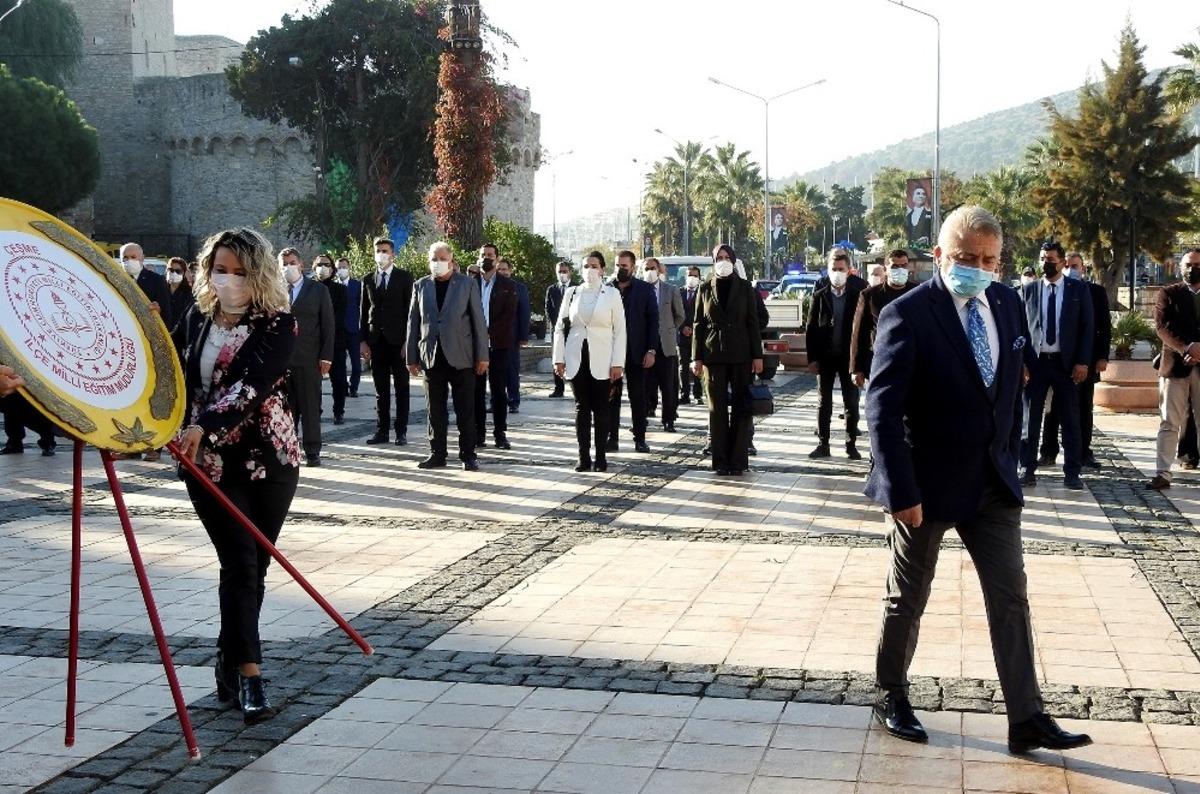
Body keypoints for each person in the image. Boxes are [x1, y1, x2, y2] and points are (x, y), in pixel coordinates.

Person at [866, 204, 1091, 754]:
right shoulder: (908, 313)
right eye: (967, 258)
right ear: (940, 256)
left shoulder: (1009, 303)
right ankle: (890, 693)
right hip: (928, 486)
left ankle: (1026, 717)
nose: (978, 267)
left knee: (1011, 597)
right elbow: (882, 408)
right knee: (908, 598)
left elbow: (1011, 386)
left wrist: (1012, 458)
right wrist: (900, 489)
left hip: (992, 484)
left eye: (989, 259)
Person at [175, 227, 301, 724]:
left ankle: (229, 661)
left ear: (258, 274)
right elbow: (176, 379)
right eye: (219, 270)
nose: (227, 280)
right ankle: (251, 675)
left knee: (255, 568)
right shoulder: (196, 319)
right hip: (208, 462)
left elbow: (251, 384)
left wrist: (204, 424)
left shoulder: (278, 325)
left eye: (239, 271)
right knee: (241, 563)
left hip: (270, 459)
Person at [407, 242, 489, 471]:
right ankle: (437, 453)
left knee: (465, 408)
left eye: (442, 258)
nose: (437, 263)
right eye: (434, 259)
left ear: (451, 261)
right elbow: (414, 322)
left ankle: (468, 454)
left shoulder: (467, 284)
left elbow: (478, 322)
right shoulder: (420, 285)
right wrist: (411, 357)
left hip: (462, 356)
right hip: (432, 356)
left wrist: (482, 355)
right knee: (435, 409)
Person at [1019, 241, 1093, 490]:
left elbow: (1087, 328)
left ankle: (1072, 473)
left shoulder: (1077, 289)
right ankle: (1027, 468)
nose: (1045, 263)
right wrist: (1022, 363)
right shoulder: (1028, 290)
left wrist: (1083, 361)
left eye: (1051, 258)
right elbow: (1019, 330)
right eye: (1042, 258)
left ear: (1062, 262)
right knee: (1030, 419)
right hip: (1036, 364)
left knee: (1071, 420)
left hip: (1066, 365)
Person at [692, 244, 762, 475]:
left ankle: (738, 460)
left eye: (726, 257)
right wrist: (696, 357)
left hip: (741, 353)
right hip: (713, 355)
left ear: (733, 260)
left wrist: (757, 355)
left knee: (741, 408)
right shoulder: (704, 288)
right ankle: (720, 461)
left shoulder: (744, 288)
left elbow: (753, 322)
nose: (723, 261)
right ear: (713, 262)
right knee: (716, 409)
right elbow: (698, 324)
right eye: (718, 258)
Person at [553, 252, 626, 471]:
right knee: (581, 407)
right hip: (576, 356)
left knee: (602, 408)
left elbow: (620, 331)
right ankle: (583, 456)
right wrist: (558, 358)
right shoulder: (572, 293)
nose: (589, 270)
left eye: (594, 266)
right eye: (586, 266)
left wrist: (617, 362)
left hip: (603, 357)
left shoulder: (612, 294)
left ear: (602, 269)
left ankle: (601, 456)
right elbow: (559, 327)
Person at [1039, 252, 1111, 469]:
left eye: (1075, 266)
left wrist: (1102, 357)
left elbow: (1102, 327)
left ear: (1083, 269)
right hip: (1058, 360)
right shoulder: (1050, 288)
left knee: (1083, 408)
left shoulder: (1095, 292)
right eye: (1068, 265)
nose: (1071, 269)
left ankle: (1083, 451)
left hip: (1085, 361)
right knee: (1052, 410)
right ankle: (1048, 451)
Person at [1147, 248, 1200, 490]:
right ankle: (1162, 473)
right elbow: (1162, 328)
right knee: (1169, 422)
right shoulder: (1168, 293)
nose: (1192, 269)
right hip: (1175, 367)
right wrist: (1187, 348)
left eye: (1197, 264)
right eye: (1188, 265)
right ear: (1181, 268)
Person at [807, 247, 866, 460]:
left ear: (849, 269)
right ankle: (823, 444)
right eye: (833, 268)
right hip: (826, 356)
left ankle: (851, 444)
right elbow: (811, 326)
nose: (837, 273)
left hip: (849, 357)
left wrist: (861, 361)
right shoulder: (820, 288)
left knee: (851, 401)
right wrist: (812, 358)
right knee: (824, 402)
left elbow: (865, 327)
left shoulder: (860, 289)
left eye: (841, 268)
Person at [280, 248, 334, 467]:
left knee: (310, 406)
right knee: (286, 408)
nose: (288, 268)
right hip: (282, 361)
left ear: (301, 265)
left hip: (309, 358)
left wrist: (326, 356)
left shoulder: (317, 290)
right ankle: (288, 448)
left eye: (292, 263)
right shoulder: (275, 291)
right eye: (284, 264)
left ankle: (312, 450)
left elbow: (328, 325)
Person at [120, 242, 173, 461]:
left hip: (148, 348)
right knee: (127, 398)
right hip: (124, 348)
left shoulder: (155, 281)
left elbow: (168, 316)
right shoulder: (115, 280)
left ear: (142, 259)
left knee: (150, 397)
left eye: (133, 257)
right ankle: (128, 444)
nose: (129, 262)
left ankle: (153, 445)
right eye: (125, 258)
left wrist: (158, 312)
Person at [361, 238, 413, 446]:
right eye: (378, 251)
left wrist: (408, 342)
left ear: (393, 254)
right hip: (376, 341)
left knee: (402, 387)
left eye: (385, 251)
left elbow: (411, 312)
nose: (381, 254)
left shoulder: (404, 277)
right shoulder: (368, 279)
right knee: (380, 389)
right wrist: (363, 340)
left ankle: (401, 431)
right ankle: (382, 431)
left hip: (398, 341)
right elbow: (363, 312)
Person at [607, 250, 659, 454]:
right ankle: (612, 438)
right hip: (612, 354)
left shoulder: (645, 290)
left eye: (624, 266)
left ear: (633, 267)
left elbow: (654, 321)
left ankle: (640, 438)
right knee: (612, 397)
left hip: (637, 353)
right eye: (618, 266)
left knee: (638, 398)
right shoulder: (607, 288)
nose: (620, 269)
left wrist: (651, 350)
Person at [851, 249, 918, 389]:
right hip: (881, 362)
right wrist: (856, 368)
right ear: (886, 268)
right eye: (895, 266)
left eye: (903, 266)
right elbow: (859, 332)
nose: (900, 270)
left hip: (912, 364)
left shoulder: (918, 293)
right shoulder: (869, 295)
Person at [474, 243, 518, 450]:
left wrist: (487, 333)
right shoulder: (469, 283)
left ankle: (500, 434)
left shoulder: (507, 285)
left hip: (499, 345)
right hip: (474, 346)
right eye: (483, 255)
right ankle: (478, 434)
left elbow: (508, 316)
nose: (486, 258)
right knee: (476, 391)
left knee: (499, 392)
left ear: (497, 259)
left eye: (490, 255)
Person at [641, 257, 685, 432]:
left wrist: (669, 329)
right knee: (644, 385)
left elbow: (680, 315)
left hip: (666, 346)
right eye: (646, 269)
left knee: (668, 386)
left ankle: (669, 419)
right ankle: (642, 418)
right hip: (644, 346)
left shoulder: (670, 290)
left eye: (652, 268)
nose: (649, 272)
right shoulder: (639, 290)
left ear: (659, 270)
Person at [313, 253, 348, 425]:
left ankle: (338, 411)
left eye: (326, 264)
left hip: (336, 341)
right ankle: (315, 410)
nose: (322, 267)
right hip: (314, 342)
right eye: (319, 264)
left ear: (332, 268)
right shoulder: (310, 289)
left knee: (339, 380)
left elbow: (340, 316)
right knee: (314, 382)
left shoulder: (340, 289)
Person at [496, 258, 531, 413]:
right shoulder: (491, 286)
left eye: (505, 269)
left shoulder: (520, 288)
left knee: (511, 370)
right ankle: (496, 401)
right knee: (496, 372)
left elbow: (524, 313)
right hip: (493, 337)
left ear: (510, 270)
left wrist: (524, 336)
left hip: (512, 336)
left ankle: (513, 400)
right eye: (499, 269)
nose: (502, 272)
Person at [544, 261, 573, 397]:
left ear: (570, 272)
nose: (562, 274)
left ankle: (575, 387)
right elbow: (548, 308)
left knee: (573, 358)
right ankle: (558, 388)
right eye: (560, 271)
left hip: (573, 330)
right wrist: (556, 325)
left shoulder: (576, 288)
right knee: (557, 358)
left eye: (564, 271)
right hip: (557, 330)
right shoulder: (552, 289)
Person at [335, 257, 363, 399]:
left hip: (353, 329)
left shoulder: (357, 285)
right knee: (340, 364)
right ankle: (344, 387)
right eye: (339, 267)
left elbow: (362, 307)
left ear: (349, 267)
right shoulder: (334, 286)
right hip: (339, 330)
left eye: (344, 267)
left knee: (356, 365)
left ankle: (354, 387)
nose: (342, 269)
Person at [679, 266, 703, 405]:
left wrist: (695, 329)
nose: (692, 278)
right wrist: (682, 327)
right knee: (683, 365)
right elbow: (674, 312)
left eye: (694, 275)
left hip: (698, 336)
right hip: (682, 335)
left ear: (699, 277)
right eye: (689, 275)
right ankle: (684, 394)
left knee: (698, 364)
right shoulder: (679, 292)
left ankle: (698, 394)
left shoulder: (703, 292)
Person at [166, 256, 195, 350]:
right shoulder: (160, 289)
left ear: (184, 273)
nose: (173, 273)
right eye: (171, 270)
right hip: (161, 332)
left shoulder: (189, 293)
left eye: (178, 271)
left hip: (179, 338)